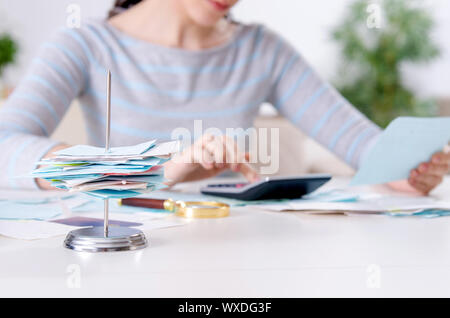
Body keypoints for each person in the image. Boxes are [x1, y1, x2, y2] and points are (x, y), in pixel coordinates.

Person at [0, 0, 448, 194]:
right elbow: (5, 145)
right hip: (128, 258)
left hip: (235, 258)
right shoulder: (85, 46)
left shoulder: (261, 49)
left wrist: (406, 171)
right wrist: (156, 167)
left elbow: (361, 144)